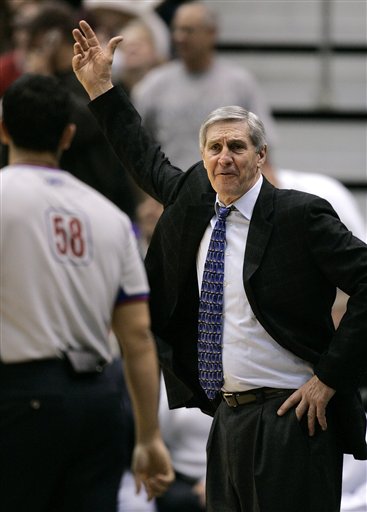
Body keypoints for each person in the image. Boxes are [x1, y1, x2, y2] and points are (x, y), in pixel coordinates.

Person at [72, 21, 367, 512]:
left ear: (260, 155)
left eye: (237, 147)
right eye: (215, 147)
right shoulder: (193, 198)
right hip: (226, 416)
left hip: (293, 417)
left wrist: (331, 377)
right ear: (203, 156)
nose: (224, 157)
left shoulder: (299, 213)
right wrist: (101, 88)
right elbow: (143, 159)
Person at [0, 73, 174, 512]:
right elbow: (137, 337)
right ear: (68, 135)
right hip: (99, 403)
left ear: (2, 128)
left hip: (19, 396)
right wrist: (149, 436)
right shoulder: (111, 217)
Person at [131, 1, 277, 170]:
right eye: (176, 30)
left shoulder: (239, 83)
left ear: (211, 33)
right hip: (171, 188)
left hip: (227, 188)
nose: (179, 37)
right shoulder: (154, 84)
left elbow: (262, 148)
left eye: (188, 30)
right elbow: (135, 145)